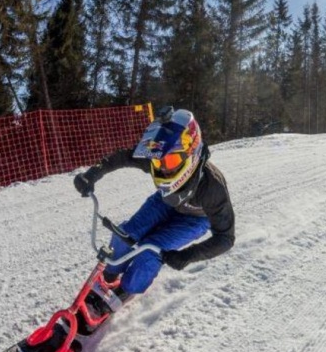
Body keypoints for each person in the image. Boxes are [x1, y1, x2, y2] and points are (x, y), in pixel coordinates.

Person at [72, 108, 235, 313]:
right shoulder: (160, 155)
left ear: (191, 153)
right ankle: (109, 275)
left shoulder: (213, 188)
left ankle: (126, 289)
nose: (163, 168)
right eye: (158, 161)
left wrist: (187, 255)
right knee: (125, 233)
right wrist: (92, 174)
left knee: (151, 250)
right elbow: (123, 156)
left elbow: (225, 238)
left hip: (195, 219)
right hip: (165, 201)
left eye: (171, 161)